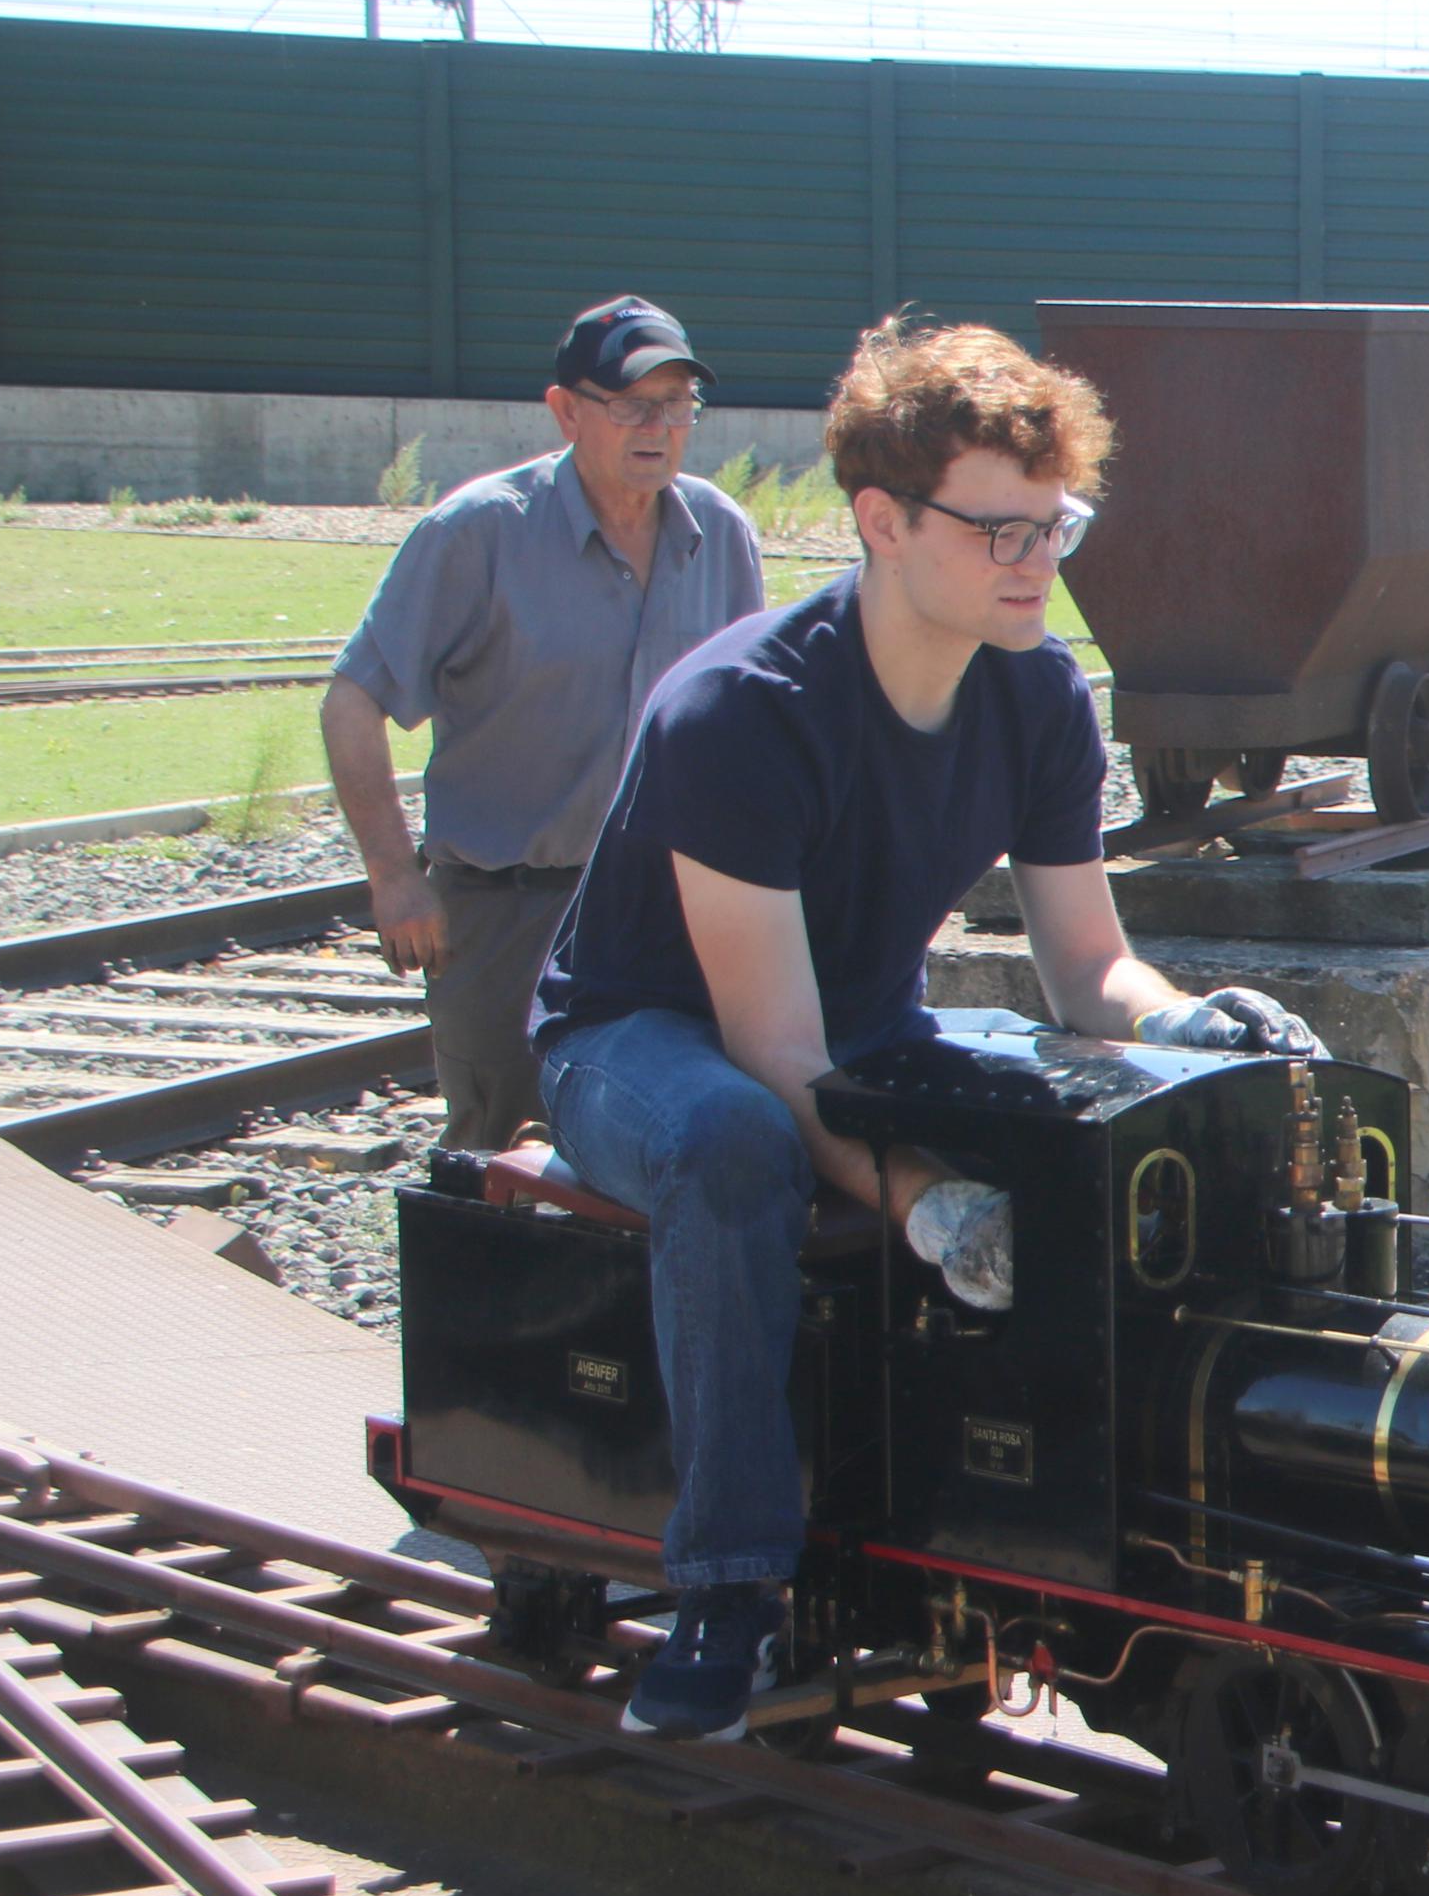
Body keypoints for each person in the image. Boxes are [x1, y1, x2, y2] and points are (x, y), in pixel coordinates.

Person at [528, 318, 1316, 1740]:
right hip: (640, 1038)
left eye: (1054, 527)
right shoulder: (740, 713)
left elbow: (1089, 969)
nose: (1036, 564)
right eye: (999, 531)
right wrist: (923, 1199)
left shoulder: (1035, 693)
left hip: (852, 1021)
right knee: (731, 1144)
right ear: (880, 521)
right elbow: (770, 1052)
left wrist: (1194, 1026)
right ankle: (726, 1584)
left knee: (1090, 1118)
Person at [325, 296, 769, 1150]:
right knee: (503, 1162)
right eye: (632, 404)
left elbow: (748, 724)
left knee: (671, 1149)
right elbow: (352, 700)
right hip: (511, 911)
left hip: (673, 911)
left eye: (677, 405)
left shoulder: (719, 532)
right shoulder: (478, 532)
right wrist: (392, 877)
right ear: (565, 410)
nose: (659, 427)